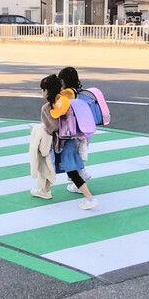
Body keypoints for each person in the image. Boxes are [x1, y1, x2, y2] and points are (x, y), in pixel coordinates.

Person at [32, 74, 98, 210]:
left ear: (47, 91)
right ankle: (45, 191)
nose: (42, 93)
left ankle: (89, 198)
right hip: (70, 141)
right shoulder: (64, 102)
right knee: (52, 166)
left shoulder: (46, 108)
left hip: (61, 145)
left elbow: (52, 128)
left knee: (71, 172)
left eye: (43, 90)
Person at [58, 66, 92, 192]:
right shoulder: (79, 91)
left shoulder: (66, 93)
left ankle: (80, 180)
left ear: (63, 81)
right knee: (75, 155)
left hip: (71, 131)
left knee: (69, 157)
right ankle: (82, 174)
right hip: (83, 129)